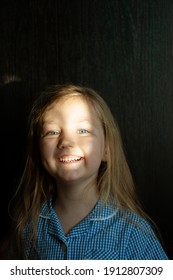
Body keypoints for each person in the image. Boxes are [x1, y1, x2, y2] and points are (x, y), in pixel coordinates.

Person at [9, 84, 168, 260]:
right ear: (38, 149)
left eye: (83, 130)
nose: (66, 142)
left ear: (107, 149)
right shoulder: (28, 228)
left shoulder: (132, 233)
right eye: (52, 132)